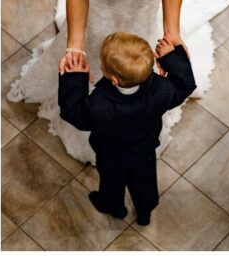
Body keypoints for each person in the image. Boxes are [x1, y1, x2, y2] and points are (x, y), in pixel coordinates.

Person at [7, 0, 229, 165]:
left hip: (143, 16)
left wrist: (172, 32)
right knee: (96, 42)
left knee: (143, 40)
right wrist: (75, 48)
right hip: (102, 4)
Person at [58, 33, 196, 226]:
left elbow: (74, 114)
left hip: (111, 154)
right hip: (144, 149)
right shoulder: (161, 89)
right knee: (145, 183)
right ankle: (145, 211)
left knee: (111, 182)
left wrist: (75, 76)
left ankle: (113, 206)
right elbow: (185, 85)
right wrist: (170, 57)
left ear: (113, 80)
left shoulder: (99, 104)